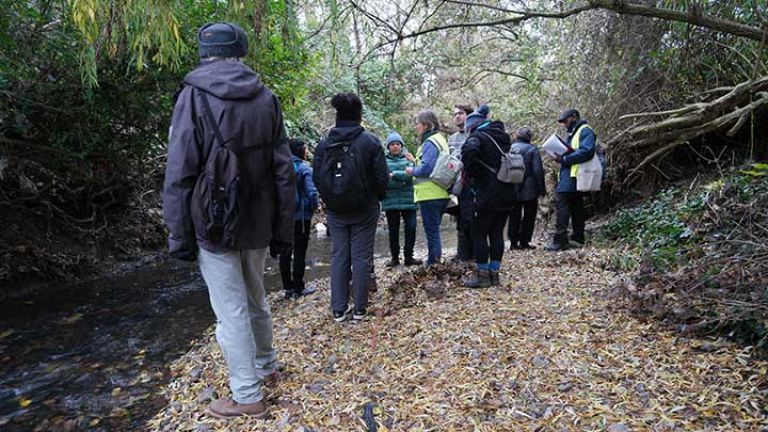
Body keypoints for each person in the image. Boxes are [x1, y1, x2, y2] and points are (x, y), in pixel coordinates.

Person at [162, 22, 294, 420]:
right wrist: (284, 228)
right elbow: (283, 170)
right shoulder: (266, 97)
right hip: (258, 217)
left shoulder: (193, 97)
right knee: (256, 295)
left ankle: (248, 395)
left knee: (230, 310)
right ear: (242, 51)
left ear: (204, 53)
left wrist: (178, 233)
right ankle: (267, 366)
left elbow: (180, 170)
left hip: (213, 221)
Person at [313, 92, 388, 322]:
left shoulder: (324, 144)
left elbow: (317, 176)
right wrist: (377, 198)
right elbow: (381, 177)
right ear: (359, 115)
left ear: (337, 114)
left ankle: (338, 309)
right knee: (361, 256)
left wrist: (329, 198)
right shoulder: (371, 142)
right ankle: (360, 309)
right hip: (365, 208)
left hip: (336, 209)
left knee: (339, 255)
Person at [460, 105, 517, 287]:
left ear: (472, 126)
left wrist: (471, 171)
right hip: (507, 191)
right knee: (497, 233)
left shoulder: (478, 137)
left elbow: (469, 152)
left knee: (479, 233)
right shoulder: (502, 137)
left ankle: (482, 276)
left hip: (486, 193)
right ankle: (495, 274)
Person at [546, 108, 596, 251]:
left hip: (574, 176)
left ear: (574, 117)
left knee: (563, 204)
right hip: (573, 175)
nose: (564, 124)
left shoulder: (585, 130)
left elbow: (587, 151)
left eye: (565, 120)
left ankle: (560, 241)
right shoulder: (575, 132)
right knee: (576, 207)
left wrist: (565, 159)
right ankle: (578, 239)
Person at [405, 110, 450, 266]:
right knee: (434, 230)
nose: (416, 127)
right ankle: (434, 260)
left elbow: (426, 169)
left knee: (432, 232)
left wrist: (411, 170)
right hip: (440, 192)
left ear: (426, 125)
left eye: (418, 123)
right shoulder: (440, 139)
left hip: (430, 194)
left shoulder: (430, 142)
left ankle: (434, 263)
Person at [280, 138, 319, 299]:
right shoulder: (304, 168)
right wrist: (314, 207)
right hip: (301, 217)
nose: (307, 151)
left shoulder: (280, 167)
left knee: (285, 251)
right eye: (305, 148)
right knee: (300, 251)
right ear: (299, 150)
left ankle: (287, 287)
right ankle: (299, 287)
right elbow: (312, 192)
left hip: (283, 216)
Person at [382, 132, 422, 267]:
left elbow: (412, 175)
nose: (395, 147)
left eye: (397, 144)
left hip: (409, 200)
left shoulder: (408, 159)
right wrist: (402, 176)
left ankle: (409, 257)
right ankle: (394, 258)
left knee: (411, 228)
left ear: (401, 146)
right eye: (392, 144)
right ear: (388, 147)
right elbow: (384, 180)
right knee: (393, 231)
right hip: (390, 201)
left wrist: (394, 174)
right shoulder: (383, 161)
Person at [507, 127, 546, 250]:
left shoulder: (509, 148)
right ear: (529, 137)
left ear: (517, 136)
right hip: (529, 187)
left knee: (514, 215)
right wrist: (542, 188)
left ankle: (513, 242)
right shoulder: (532, 149)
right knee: (529, 215)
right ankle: (524, 241)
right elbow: (537, 170)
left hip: (512, 186)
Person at [448, 104, 475, 262]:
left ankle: (473, 253)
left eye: (461, 113)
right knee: (459, 219)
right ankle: (462, 253)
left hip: (471, 183)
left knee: (470, 218)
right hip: (456, 184)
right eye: (455, 114)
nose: (457, 116)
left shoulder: (474, 134)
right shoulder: (452, 139)